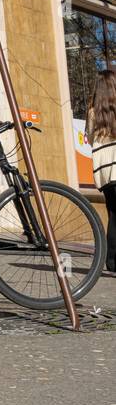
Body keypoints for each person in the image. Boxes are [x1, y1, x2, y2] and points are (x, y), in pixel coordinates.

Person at [85, 69, 116, 276]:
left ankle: (112, 261)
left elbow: (89, 137)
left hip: (104, 174)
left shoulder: (92, 112)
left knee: (113, 215)